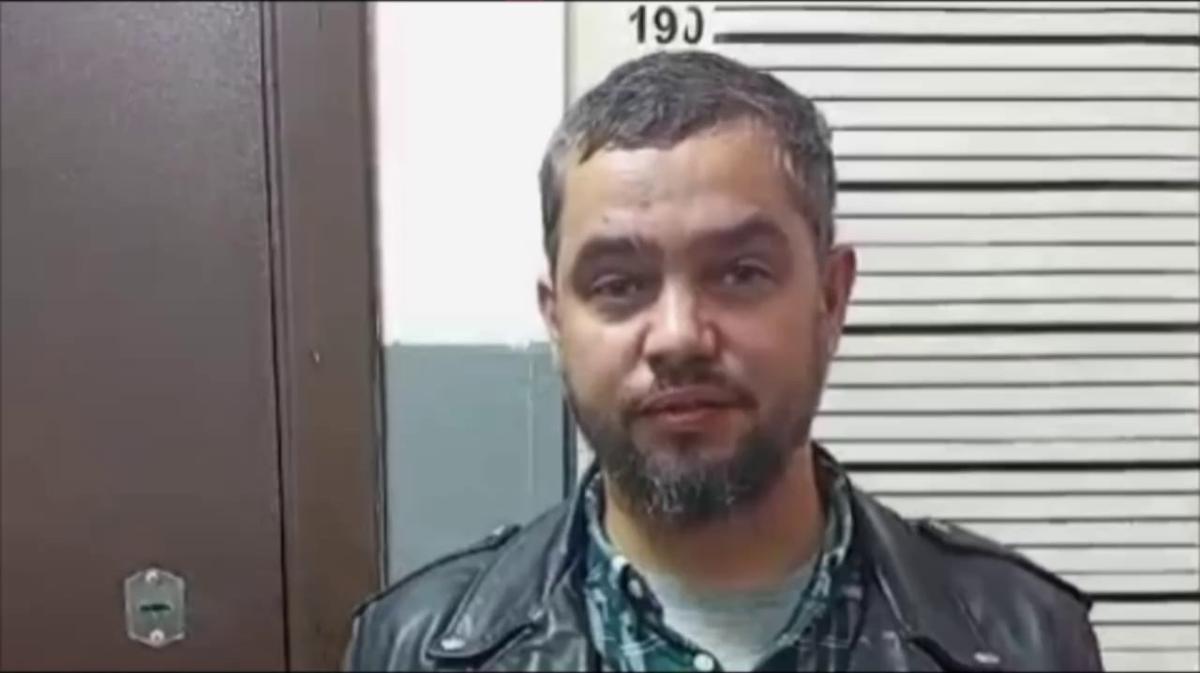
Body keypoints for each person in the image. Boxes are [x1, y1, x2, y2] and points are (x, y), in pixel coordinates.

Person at [344, 50, 1103, 672]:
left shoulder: (1026, 639)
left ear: (831, 298)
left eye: (740, 273)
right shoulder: (412, 649)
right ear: (556, 320)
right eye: (618, 284)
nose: (678, 336)